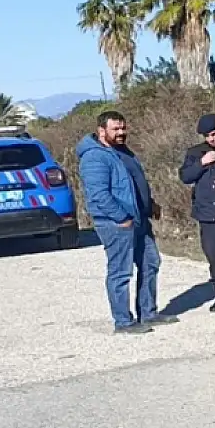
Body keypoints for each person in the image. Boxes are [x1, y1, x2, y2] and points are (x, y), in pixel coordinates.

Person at [77, 111, 178, 334]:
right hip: (116, 223)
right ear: (101, 131)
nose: (121, 132)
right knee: (121, 272)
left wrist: (149, 204)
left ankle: (148, 313)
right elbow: (99, 195)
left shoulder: (123, 151)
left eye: (123, 128)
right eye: (115, 129)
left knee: (151, 262)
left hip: (139, 219)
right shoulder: (94, 157)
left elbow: (132, 182)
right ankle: (123, 322)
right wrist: (121, 217)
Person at [179, 113, 215, 312]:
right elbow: (185, 176)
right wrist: (202, 163)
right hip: (207, 214)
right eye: (207, 136)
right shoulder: (195, 152)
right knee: (214, 257)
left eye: (214, 134)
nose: (211, 139)